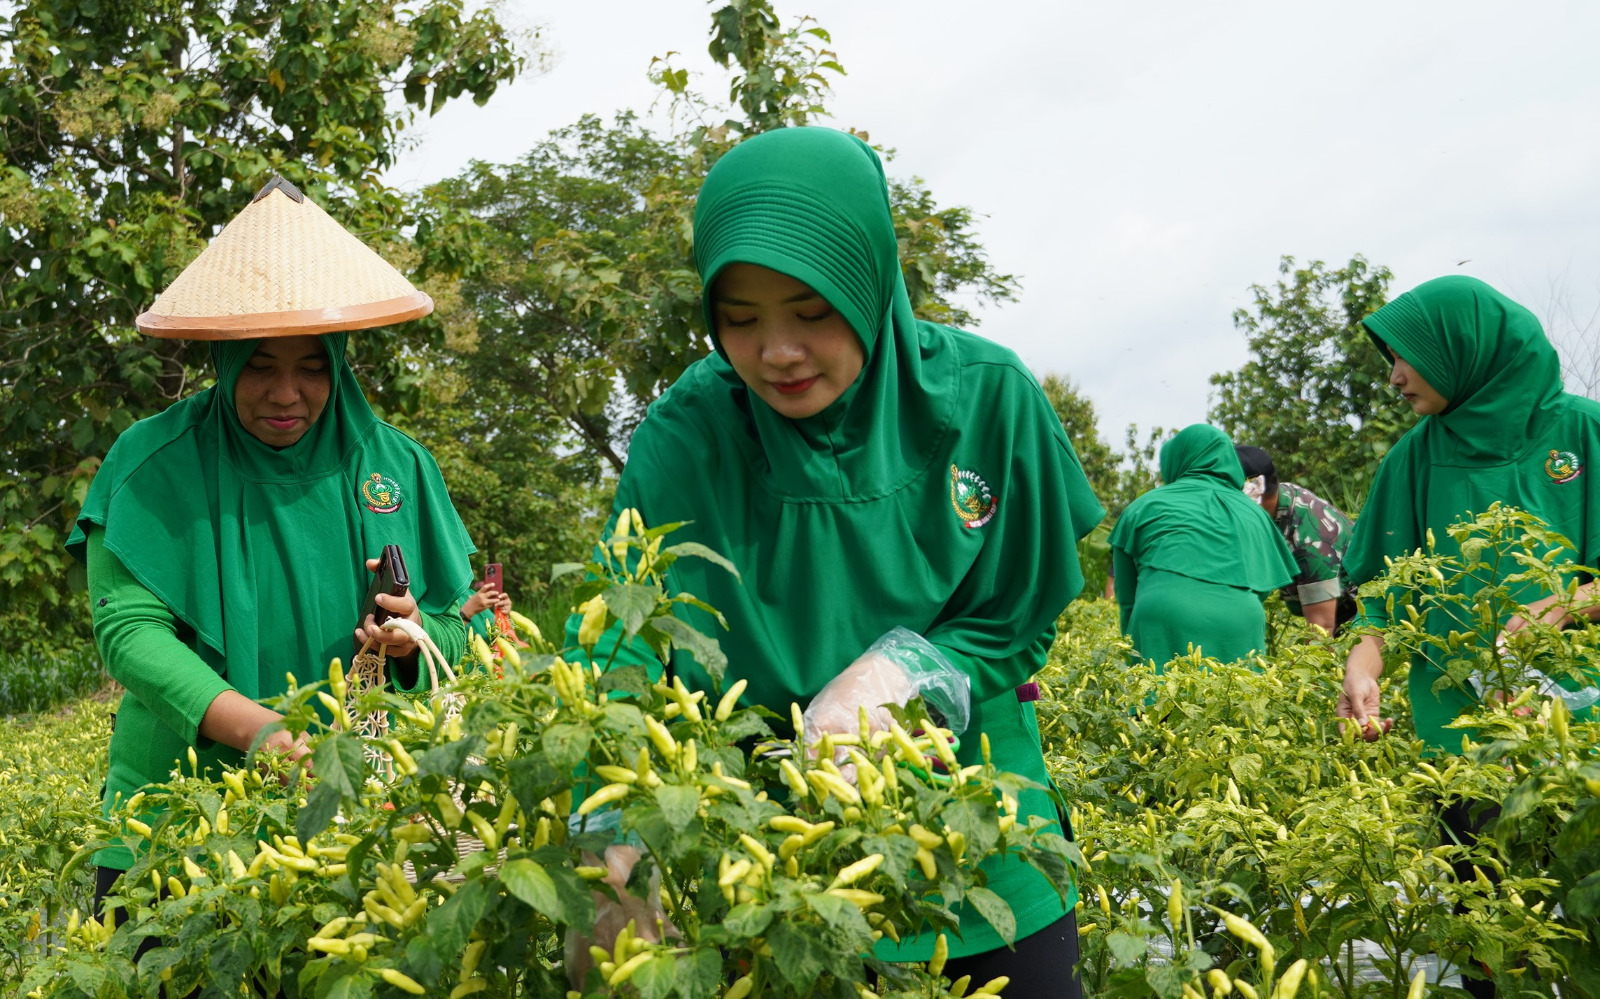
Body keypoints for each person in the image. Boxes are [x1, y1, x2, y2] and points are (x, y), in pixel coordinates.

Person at [573, 127, 1106, 997]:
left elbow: (1018, 609)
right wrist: (605, 828)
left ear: (868, 284)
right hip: (772, 865)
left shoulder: (987, 400)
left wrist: (906, 669)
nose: (777, 352)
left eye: (813, 312)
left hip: (977, 833)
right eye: (739, 321)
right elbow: (624, 627)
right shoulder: (689, 435)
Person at [65, 177, 477, 915]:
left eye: (311, 366)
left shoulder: (398, 467)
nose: (287, 393)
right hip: (173, 827)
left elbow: (460, 621)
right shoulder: (154, 462)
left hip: (353, 819)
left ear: (340, 361)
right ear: (224, 358)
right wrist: (264, 732)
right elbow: (128, 632)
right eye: (260, 364)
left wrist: (412, 638)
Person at [1335, 276, 1600, 999]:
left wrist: (1570, 603)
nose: (1393, 376)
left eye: (1406, 356)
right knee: (1486, 929)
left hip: (1579, 742)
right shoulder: (1414, 459)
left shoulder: (1582, 432)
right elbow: (1384, 602)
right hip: (1465, 749)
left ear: (1463, 350)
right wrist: (1363, 662)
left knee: (1585, 922)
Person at [1109, 425, 1297, 671]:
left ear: (1176, 459)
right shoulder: (1255, 513)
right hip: (1240, 623)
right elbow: (1260, 587)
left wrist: (1134, 650)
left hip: (1161, 618)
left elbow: (1127, 598)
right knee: (1237, 703)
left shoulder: (1142, 506)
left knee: (1159, 703)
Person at [1233, 444, 1358, 634]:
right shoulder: (1279, 498)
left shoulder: (1309, 541)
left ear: (1254, 494)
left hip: (1357, 624)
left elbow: (1321, 633)